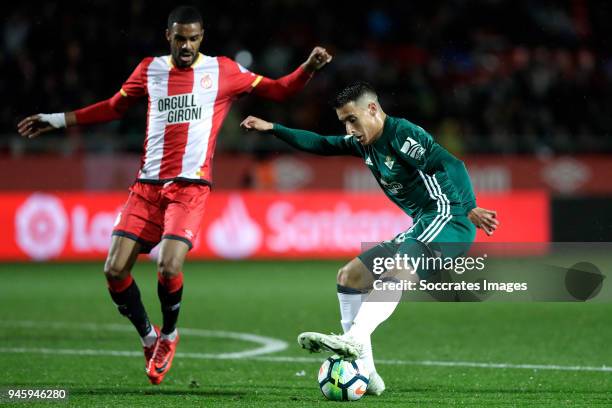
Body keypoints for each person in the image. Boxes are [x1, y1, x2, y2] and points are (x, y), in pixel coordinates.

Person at [17, 5, 332, 385]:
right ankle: (149, 337)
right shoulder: (149, 69)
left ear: (203, 37)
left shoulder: (222, 71)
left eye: (194, 38)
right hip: (146, 187)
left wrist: (309, 68)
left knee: (168, 264)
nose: (186, 45)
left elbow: (280, 89)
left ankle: (169, 335)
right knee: (114, 270)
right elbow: (114, 108)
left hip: (190, 187)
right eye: (180, 38)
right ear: (168, 36)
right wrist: (57, 120)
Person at [240, 81, 499, 396]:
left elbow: (450, 163)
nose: (349, 129)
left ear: (373, 109)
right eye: (344, 123)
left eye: (352, 120)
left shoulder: (402, 134)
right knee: (351, 276)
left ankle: (356, 339)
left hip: (449, 217)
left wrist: (470, 207)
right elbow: (321, 144)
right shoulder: (363, 143)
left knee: (400, 267)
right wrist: (273, 128)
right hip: (423, 223)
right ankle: (368, 372)